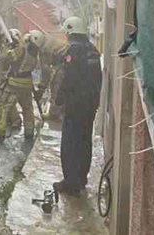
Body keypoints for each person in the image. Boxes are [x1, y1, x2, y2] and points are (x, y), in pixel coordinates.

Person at [52, 16, 102, 194]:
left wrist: (59, 98)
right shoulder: (93, 50)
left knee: (70, 143)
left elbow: (69, 78)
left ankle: (70, 182)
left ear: (70, 32)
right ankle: (81, 178)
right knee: (84, 141)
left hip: (75, 105)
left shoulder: (74, 51)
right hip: (90, 106)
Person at [0, 29, 39, 143]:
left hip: (14, 85)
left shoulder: (21, 49)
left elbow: (6, 59)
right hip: (27, 85)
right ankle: (29, 133)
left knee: (3, 107)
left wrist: (8, 48)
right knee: (28, 109)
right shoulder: (34, 52)